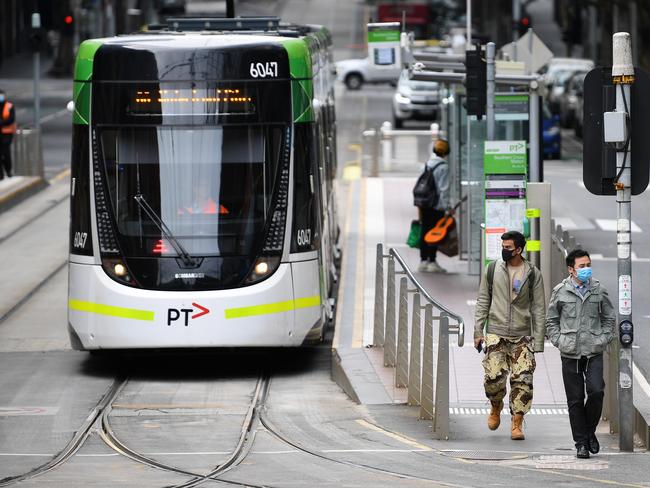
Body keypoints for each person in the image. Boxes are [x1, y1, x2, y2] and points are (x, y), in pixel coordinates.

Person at [474, 230, 546, 440]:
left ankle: (517, 422)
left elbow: (539, 308)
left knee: (523, 380)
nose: (504, 251)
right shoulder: (492, 269)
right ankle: (496, 406)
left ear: (519, 249)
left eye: (508, 248)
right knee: (493, 378)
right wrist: (478, 331)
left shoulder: (532, 273)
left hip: (522, 335)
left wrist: (538, 341)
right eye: (502, 247)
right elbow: (482, 301)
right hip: (496, 332)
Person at [546, 249, 615, 459]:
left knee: (596, 392)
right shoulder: (561, 291)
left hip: (593, 350)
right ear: (571, 269)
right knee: (575, 400)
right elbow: (551, 321)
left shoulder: (598, 290)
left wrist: (603, 339)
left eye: (588, 265)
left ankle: (589, 431)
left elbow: (609, 319)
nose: (586, 269)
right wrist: (559, 341)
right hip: (570, 352)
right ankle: (581, 444)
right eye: (581, 266)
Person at [414, 138, 451, 273]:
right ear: (446, 152)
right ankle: (432, 261)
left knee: (425, 229)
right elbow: (444, 189)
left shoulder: (425, 165)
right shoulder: (443, 167)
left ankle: (423, 261)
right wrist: (446, 207)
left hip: (424, 203)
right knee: (435, 231)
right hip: (436, 205)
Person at [0, 89, 16, 180]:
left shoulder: (9, 106)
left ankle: (8, 171)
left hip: (7, 134)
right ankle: (1, 174)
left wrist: (1, 123)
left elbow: (11, 119)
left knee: (5, 153)